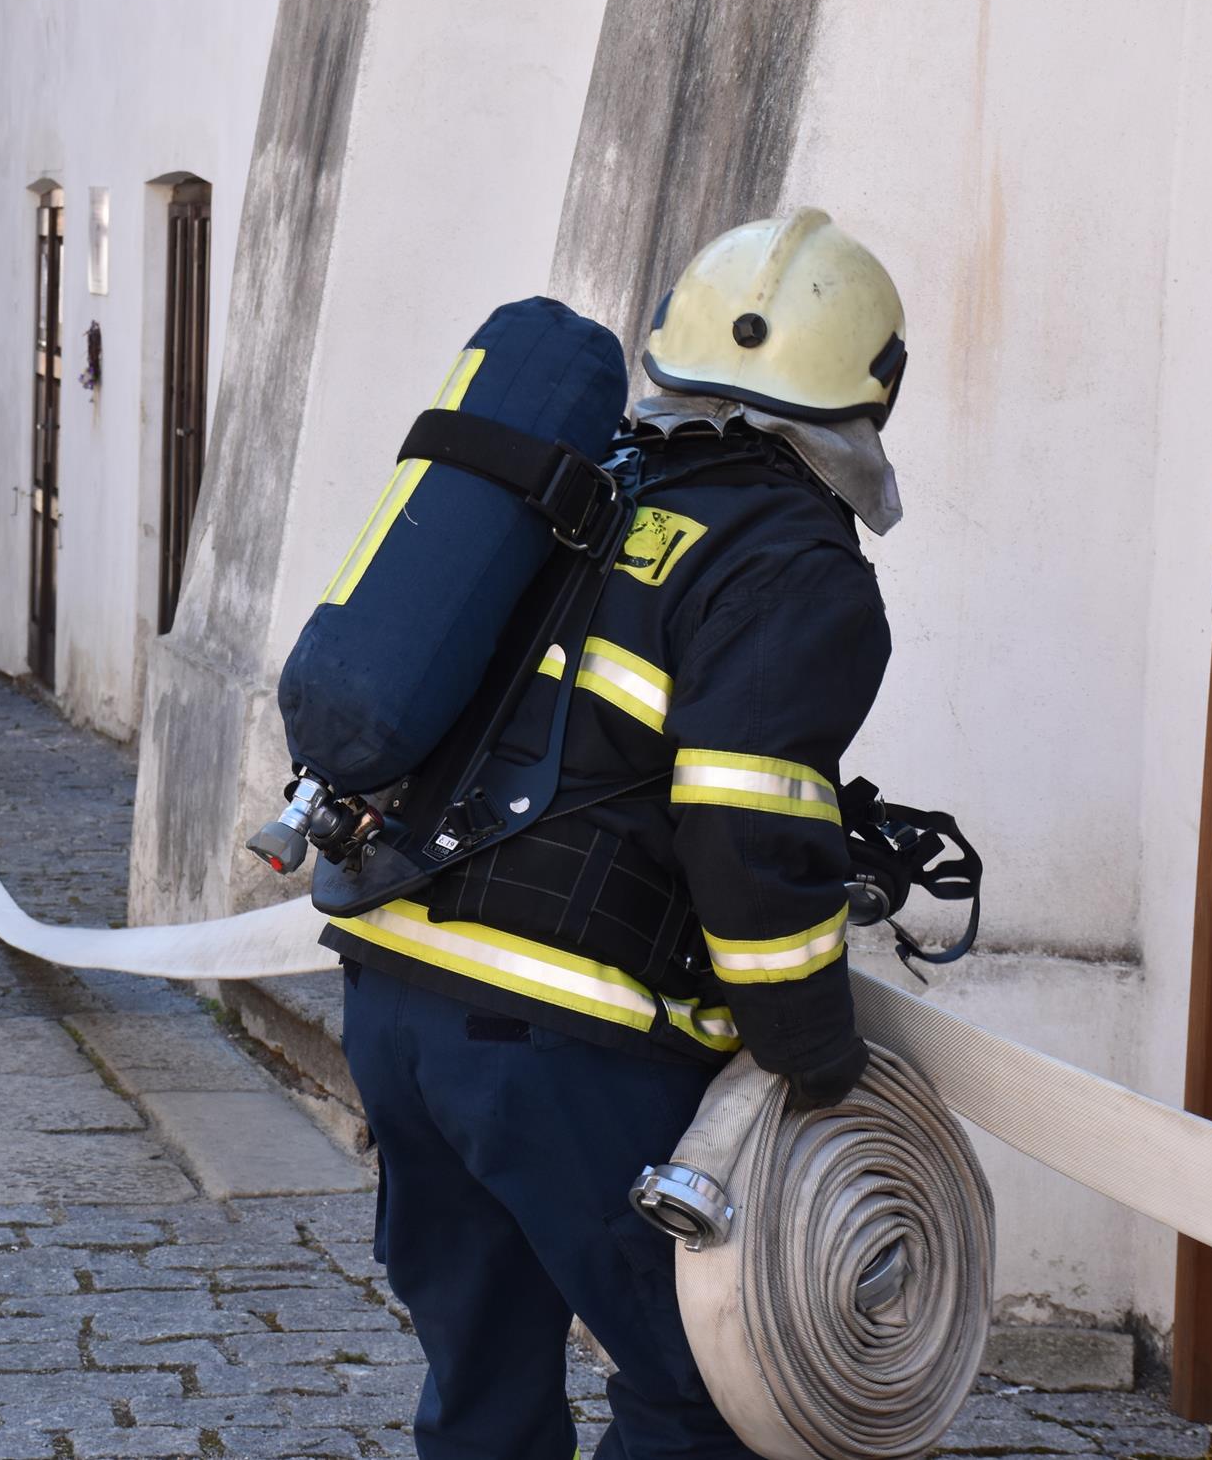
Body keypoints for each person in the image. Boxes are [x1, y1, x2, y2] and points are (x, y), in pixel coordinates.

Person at [324, 208, 906, 1460]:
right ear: (871, 393)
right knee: (710, 1386)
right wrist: (812, 1052)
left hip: (399, 1003)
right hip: (561, 1043)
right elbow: (748, 826)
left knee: (482, 1385)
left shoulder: (579, 487)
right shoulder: (796, 561)